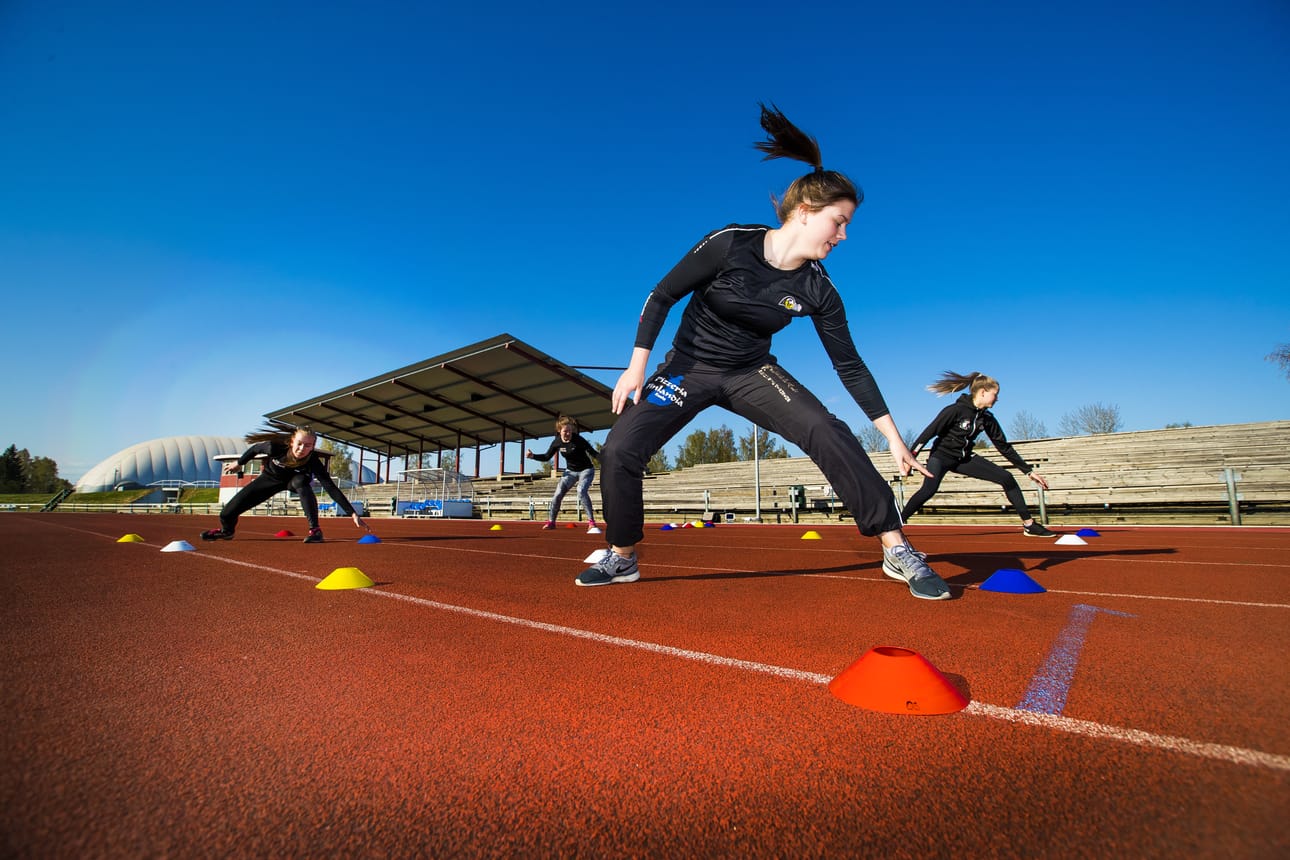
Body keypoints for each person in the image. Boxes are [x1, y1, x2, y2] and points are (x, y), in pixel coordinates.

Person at [577, 104, 951, 600]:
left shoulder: (819, 289)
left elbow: (850, 365)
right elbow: (662, 294)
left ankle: (896, 546)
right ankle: (622, 557)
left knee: (825, 429)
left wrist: (894, 437)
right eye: (838, 223)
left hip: (751, 372)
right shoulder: (731, 243)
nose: (844, 236)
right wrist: (636, 366)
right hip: (687, 368)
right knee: (621, 449)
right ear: (804, 213)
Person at [902, 371, 1056, 537]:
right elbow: (928, 433)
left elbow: (1003, 446)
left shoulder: (987, 418)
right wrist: (911, 458)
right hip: (941, 457)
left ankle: (1029, 524)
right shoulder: (955, 410)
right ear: (983, 392)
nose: (997, 399)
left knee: (1007, 478)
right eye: (995, 394)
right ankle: (897, 522)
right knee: (928, 489)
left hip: (964, 459)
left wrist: (1028, 471)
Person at [200, 425, 372, 544]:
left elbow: (330, 487)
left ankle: (315, 531)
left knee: (301, 482)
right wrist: (240, 463)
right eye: (299, 444)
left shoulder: (313, 461)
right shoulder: (275, 448)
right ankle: (227, 531)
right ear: (292, 442)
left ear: (312, 447)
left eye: (308, 446)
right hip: (269, 479)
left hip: (294, 482)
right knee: (226, 513)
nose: (302, 449)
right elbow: (254, 449)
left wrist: (352, 513)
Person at [526, 415, 601, 533]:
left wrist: (606, 459)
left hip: (586, 470)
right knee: (557, 494)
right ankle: (551, 522)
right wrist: (533, 456)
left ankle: (591, 522)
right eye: (565, 431)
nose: (568, 433)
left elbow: (593, 453)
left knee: (581, 491)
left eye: (570, 431)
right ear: (559, 431)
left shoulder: (579, 440)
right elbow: (546, 457)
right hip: (570, 472)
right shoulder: (556, 442)